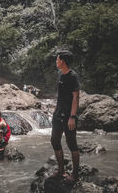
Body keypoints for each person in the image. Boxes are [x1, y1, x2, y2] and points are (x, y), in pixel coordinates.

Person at [50, 50, 80, 183]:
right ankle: (61, 170)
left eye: (57, 59)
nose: (56, 61)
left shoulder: (73, 76)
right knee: (54, 140)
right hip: (58, 115)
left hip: (69, 116)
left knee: (71, 144)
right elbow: (60, 96)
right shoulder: (60, 75)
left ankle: (75, 174)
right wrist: (55, 112)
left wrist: (72, 117)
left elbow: (76, 97)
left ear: (62, 61)